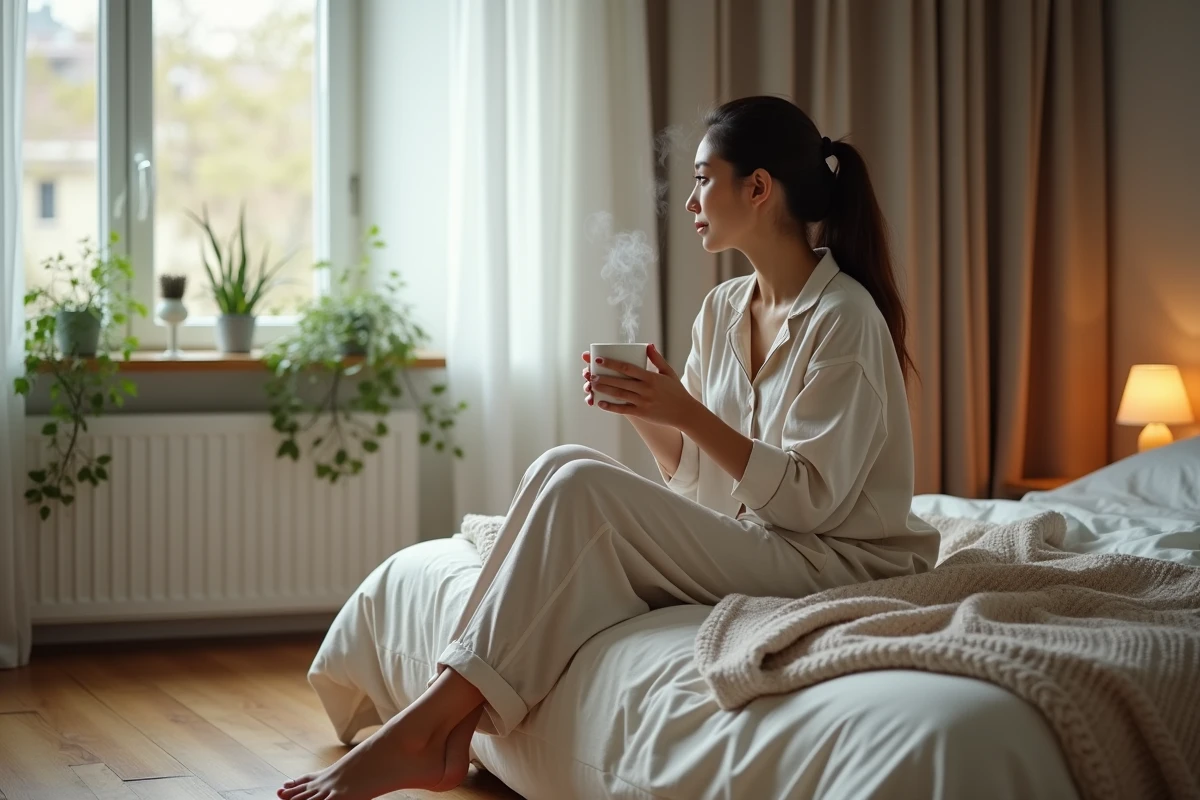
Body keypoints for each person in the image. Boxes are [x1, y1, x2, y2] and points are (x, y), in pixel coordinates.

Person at [277, 95, 940, 800]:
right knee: (561, 466)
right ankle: (442, 727)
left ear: (758, 188)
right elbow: (700, 483)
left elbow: (810, 500)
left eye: (703, 178)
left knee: (579, 488)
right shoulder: (723, 310)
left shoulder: (845, 319)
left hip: (832, 563)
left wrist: (685, 409)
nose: (690, 199)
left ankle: (421, 732)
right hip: (763, 542)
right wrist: (649, 411)